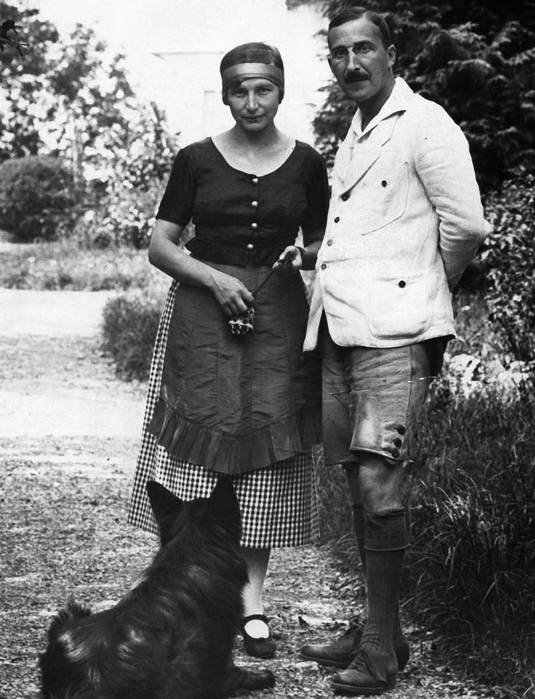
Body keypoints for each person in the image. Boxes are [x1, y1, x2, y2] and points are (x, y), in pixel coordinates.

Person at [297, 8, 491, 694]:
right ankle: (385, 629)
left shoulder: (427, 125)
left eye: (365, 50)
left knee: (381, 488)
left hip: (394, 336)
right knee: (357, 481)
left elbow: (465, 225)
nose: (352, 64)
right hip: (341, 332)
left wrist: (415, 287)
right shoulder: (353, 133)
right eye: (339, 54)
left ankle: (378, 649)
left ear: (391, 53)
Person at [126, 41, 329, 660]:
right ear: (223, 93)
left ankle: (251, 604)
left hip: (276, 316)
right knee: (198, 454)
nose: (251, 101)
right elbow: (162, 245)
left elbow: (321, 242)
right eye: (239, 89)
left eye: (263, 88)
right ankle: (184, 593)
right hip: (200, 316)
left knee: (261, 455)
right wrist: (213, 279)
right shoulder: (195, 159)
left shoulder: (307, 164)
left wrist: (307, 256)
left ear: (280, 91)